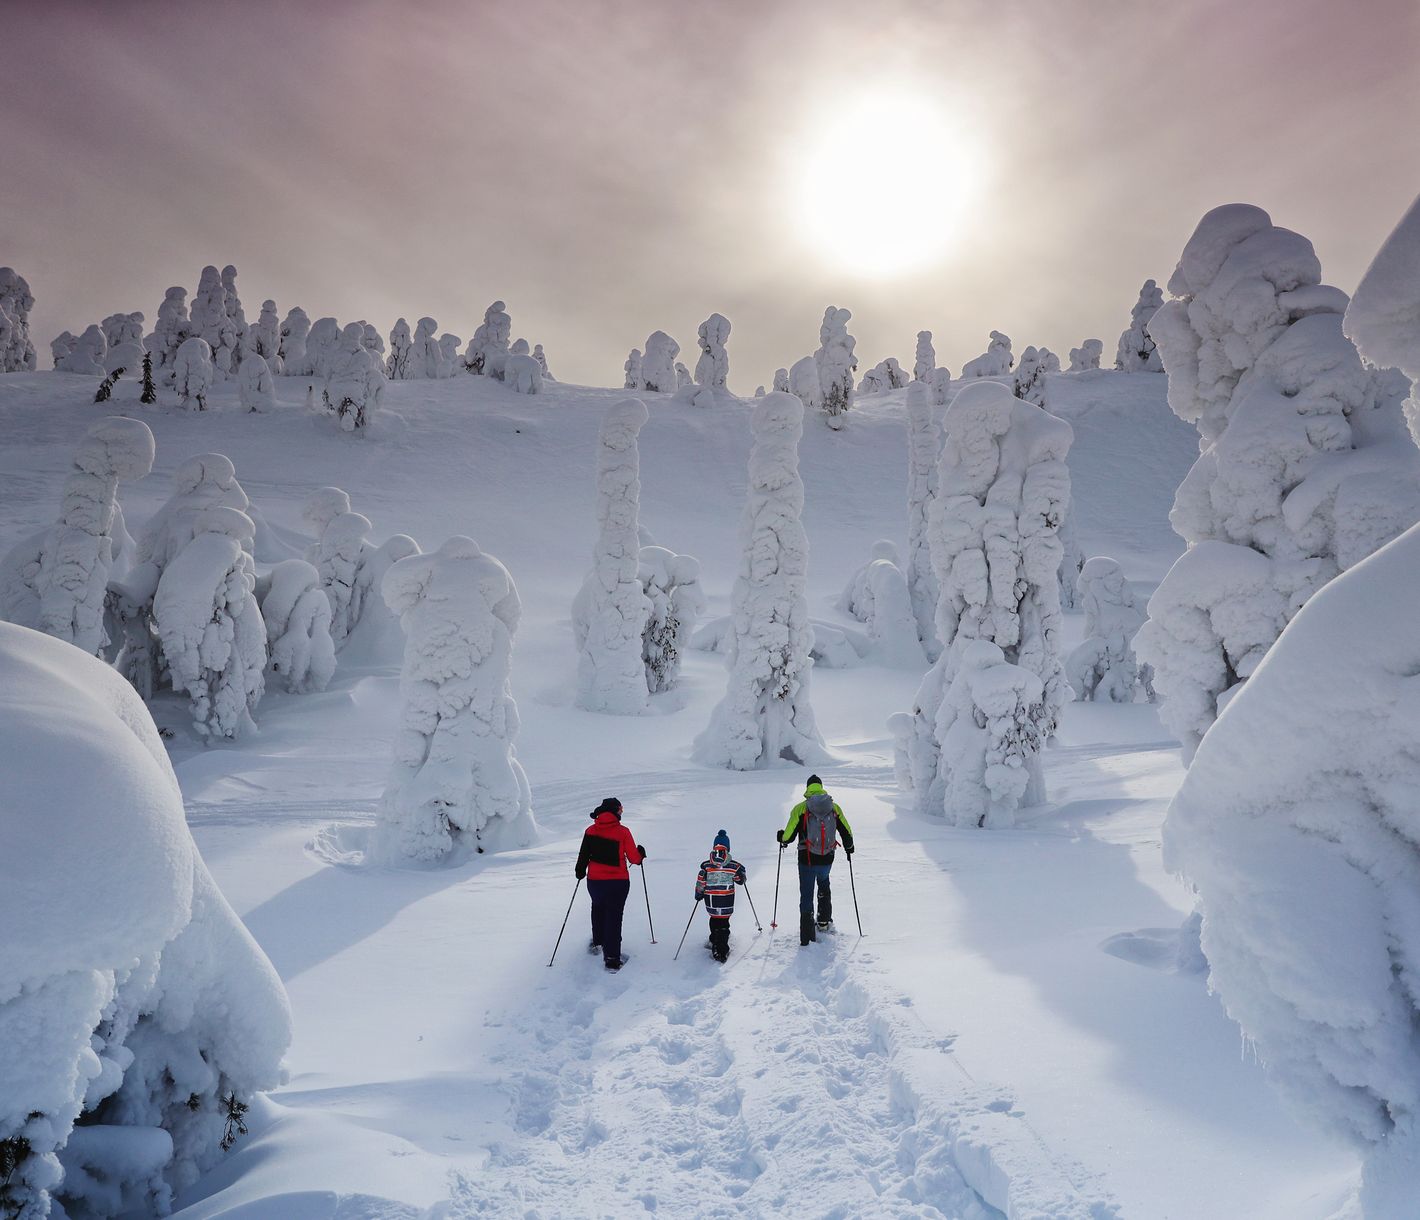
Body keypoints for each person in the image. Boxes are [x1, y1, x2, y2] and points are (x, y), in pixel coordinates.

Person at [777, 774, 854, 946]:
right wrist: (849, 847)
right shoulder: (834, 807)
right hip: (827, 858)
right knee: (824, 885)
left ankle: (807, 936)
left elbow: (788, 836)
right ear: (821, 787)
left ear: (808, 788)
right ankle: (824, 922)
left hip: (807, 859)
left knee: (806, 894)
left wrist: (782, 837)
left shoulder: (800, 808)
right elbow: (846, 830)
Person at [574, 797, 646, 972]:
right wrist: (641, 855)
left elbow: (583, 855)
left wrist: (580, 871)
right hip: (618, 883)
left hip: (595, 882)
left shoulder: (590, 830)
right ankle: (612, 959)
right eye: (620, 809)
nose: (621, 812)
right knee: (614, 916)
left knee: (598, 907)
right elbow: (634, 859)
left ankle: (598, 941)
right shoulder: (623, 832)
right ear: (615, 811)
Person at [695, 829, 747, 963]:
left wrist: (699, 893)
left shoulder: (707, 866)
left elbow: (701, 880)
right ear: (728, 848)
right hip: (726, 902)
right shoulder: (733, 866)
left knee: (714, 920)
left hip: (711, 903)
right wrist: (741, 875)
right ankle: (721, 951)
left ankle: (714, 940)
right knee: (723, 924)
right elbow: (740, 880)